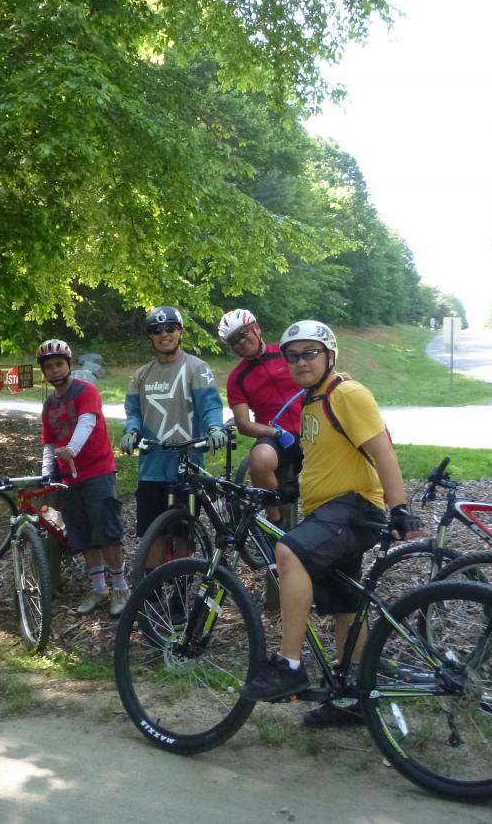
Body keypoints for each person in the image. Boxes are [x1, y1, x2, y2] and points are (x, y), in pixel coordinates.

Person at [240, 320, 419, 726]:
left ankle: (289, 663)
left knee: (289, 551)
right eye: (293, 355)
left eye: (310, 353)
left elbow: (383, 451)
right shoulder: (311, 402)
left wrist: (399, 506)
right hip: (330, 509)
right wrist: (287, 493)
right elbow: (322, 461)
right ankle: (353, 698)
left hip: (353, 507)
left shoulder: (347, 393)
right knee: (345, 607)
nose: (301, 362)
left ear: (330, 356)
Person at [120, 306, 225, 570]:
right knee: (153, 535)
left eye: (170, 328)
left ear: (180, 332)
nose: (163, 334)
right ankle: (153, 594)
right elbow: (133, 412)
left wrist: (214, 428)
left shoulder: (197, 368)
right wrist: (131, 431)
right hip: (151, 467)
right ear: (150, 337)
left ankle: (180, 590)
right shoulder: (141, 375)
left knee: (182, 535)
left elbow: (211, 406)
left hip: (187, 465)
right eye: (156, 330)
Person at [36, 339, 128, 616]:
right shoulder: (49, 404)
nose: (54, 370)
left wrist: (73, 449)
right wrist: (46, 472)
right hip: (68, 478)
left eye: (59, 364)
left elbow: (87, 422)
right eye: (48, 366)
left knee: (107, 533)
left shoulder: (85, 391)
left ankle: (121, 587)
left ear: (69, 364)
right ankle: (99, 589)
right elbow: (49, 443)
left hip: (97, 471)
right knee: (83, 536)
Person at [218, 309, 303, 523]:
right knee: (259, 459)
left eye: (244, 333)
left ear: (256, 328)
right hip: (276, 437)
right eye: (234, 340)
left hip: (311, 429)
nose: (242, 342)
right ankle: (274, 517)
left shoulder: (286, 353)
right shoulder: (237, 378)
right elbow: (244, 424)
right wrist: (277, 432)